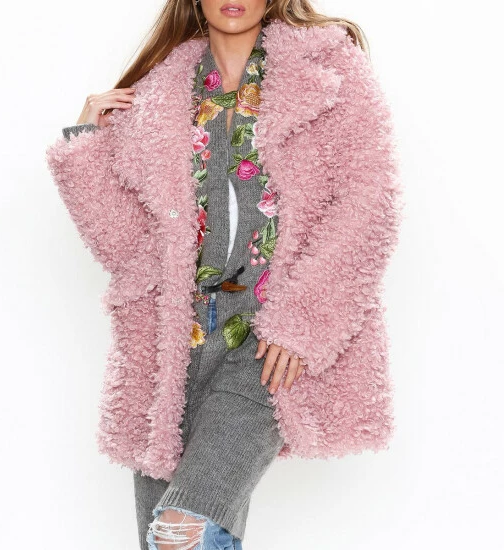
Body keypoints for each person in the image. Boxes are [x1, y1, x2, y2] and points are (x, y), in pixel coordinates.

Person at [45, 1, 403, 548]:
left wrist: (303, 319)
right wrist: (85, 148)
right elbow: (128, 248)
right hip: (172, 349)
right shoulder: (158, 98)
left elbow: (368, 203)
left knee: (181, 530)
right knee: (163, 538)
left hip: (268, 342)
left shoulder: (329, 70)